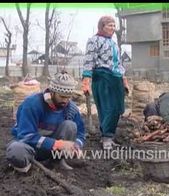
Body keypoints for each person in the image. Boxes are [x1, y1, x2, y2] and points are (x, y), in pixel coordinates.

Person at [6, 71, 85, 173]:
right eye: (62, 96)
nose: (65, 101)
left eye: (68, 97)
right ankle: (29, 167)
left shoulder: (71, 108)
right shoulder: (32, 104)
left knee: (70, 126)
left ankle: (56, 162)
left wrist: (76, 145)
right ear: (52, 92)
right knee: (16, 150)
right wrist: (58, 144)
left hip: (51, 149)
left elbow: (81, 133)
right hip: (28, 146)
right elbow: (26, 136)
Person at [81, 15, 129, 150]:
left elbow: (118, 63)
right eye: (109, 25)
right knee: (108, 107)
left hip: (115, 77)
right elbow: (89, 60)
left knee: (118, 108)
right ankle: (106, 137)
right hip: (102, 76)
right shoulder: (94, 40)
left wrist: (124, 80)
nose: (112, 28)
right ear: (102, 26)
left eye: (114, 25)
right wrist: (86, 79)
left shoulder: (114, 44)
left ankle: (108, 135)